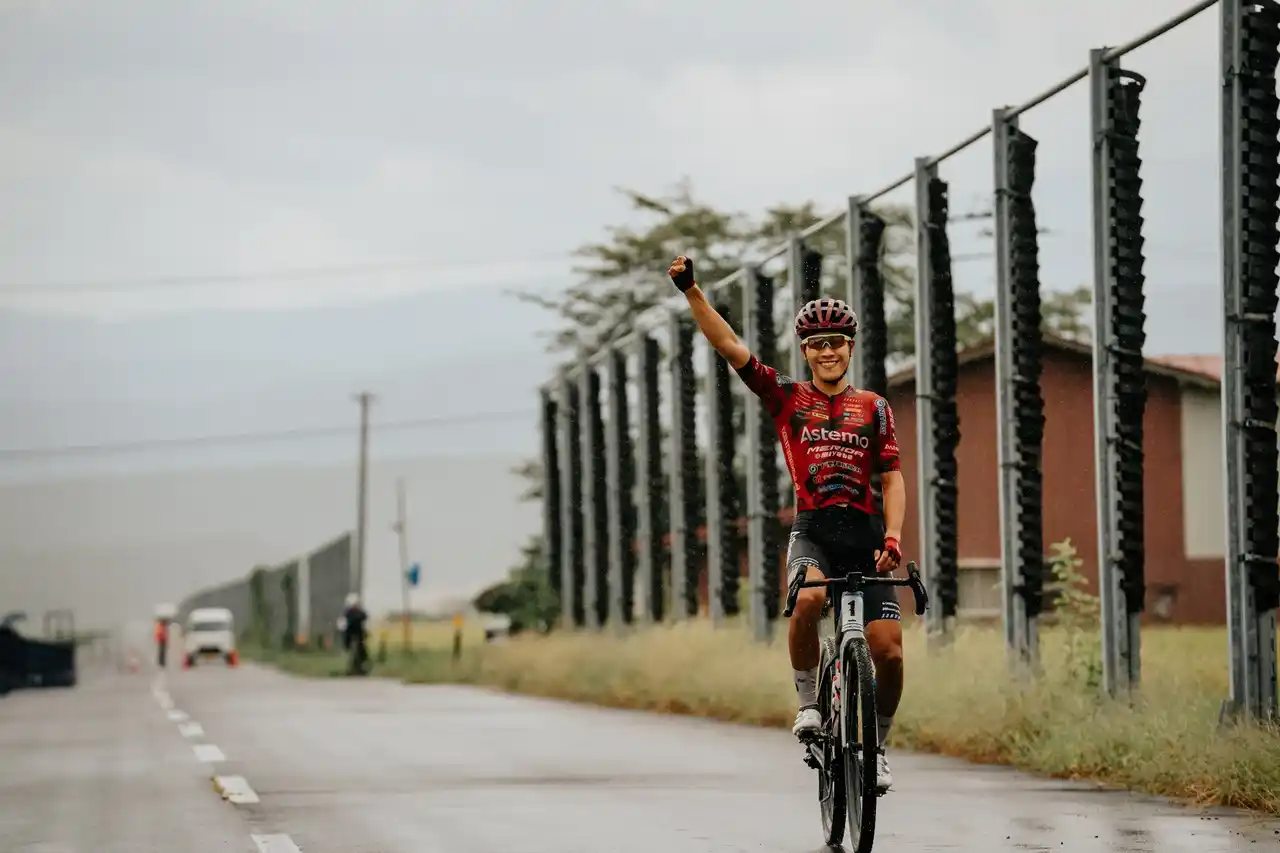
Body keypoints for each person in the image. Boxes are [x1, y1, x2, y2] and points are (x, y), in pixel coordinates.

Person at [667, 254, 906, 793]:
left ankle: (877, 749)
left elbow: (892, 479)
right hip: (813, 530)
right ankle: (809, 703)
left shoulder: (874, 407)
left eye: (836, 341)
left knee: (889, 652)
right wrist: (692, 291)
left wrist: (893, 537)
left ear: (850, 346)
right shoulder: (787, 397)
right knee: (808, 600)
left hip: (867, 535)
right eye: (817, 344)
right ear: (805, 351)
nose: (828, 351)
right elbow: (730, 345)